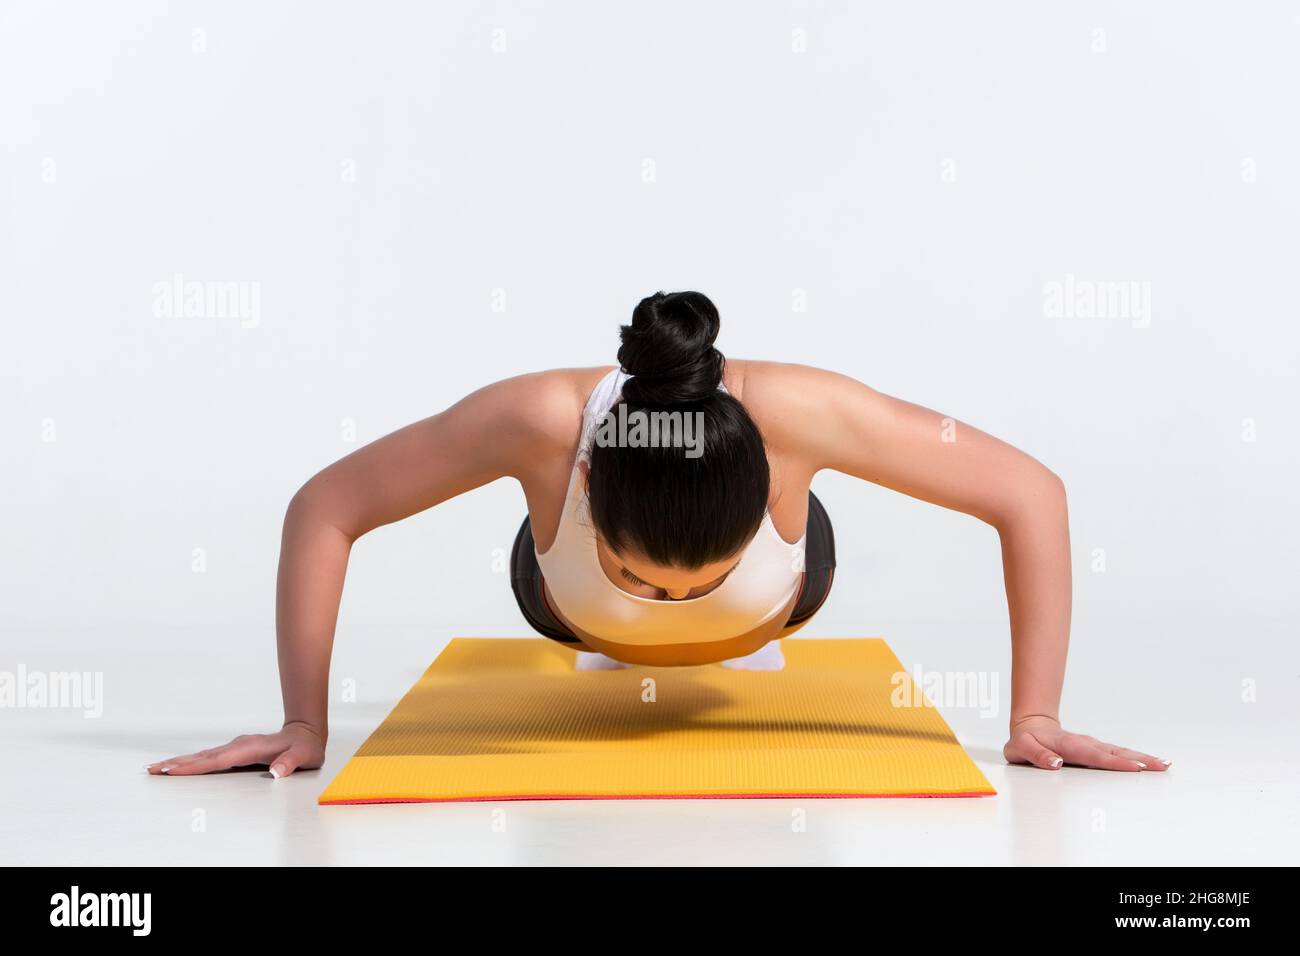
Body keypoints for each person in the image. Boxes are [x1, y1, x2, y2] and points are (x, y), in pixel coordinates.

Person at [147, 291, 1170, 780]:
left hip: (778, 589)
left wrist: (1034, 712)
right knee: (598, 586)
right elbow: (325, 506)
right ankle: (647, 576)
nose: (671, 601)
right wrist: (303, 720)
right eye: (647, 581)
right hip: (563, 601)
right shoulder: (539, 422)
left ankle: (686, 566)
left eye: (695, 582)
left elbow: (1029, 491)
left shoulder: (804, 413)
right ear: (587, 475)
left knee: (736, 566)